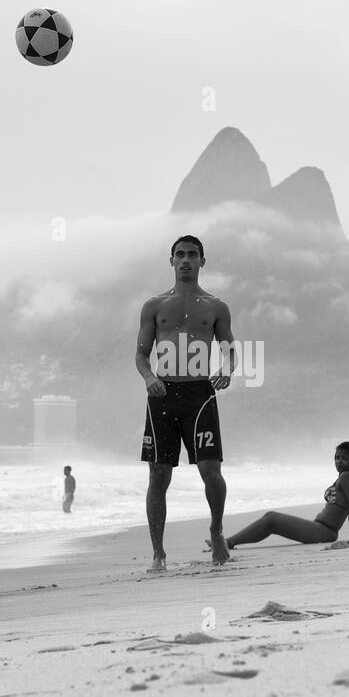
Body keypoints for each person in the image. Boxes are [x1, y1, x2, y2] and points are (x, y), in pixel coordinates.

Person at [135, 235, 233, 572]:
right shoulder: (154, 306)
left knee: (210, 470)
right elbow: (140, 354)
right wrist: (149, 377)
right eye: (180, 255)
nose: (186, 260)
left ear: (202, 261)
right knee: (159, 476)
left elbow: (229, 348)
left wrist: (227, 369)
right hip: (161, 396)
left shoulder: (216, 306)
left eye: (193, 254)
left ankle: (217, 530)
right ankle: (158, 553)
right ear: (172, 260)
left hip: (200, 395)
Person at [220, 442, 349, 550]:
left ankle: (228, 542)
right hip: (320, 529)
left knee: (271, 518)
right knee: (270, 520)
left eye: (344, 458)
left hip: (323, 531)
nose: (339, 461)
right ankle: (230, 542)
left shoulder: (347, 477)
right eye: (337, 457)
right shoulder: (347, 477)